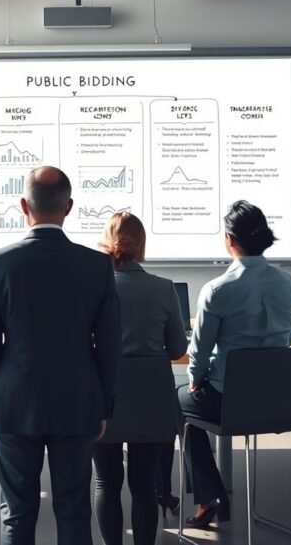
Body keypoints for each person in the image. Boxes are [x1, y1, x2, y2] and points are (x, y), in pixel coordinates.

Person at [0, 166, 122, 545]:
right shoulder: (96, 265)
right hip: (77, 402)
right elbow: (108, 344)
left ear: (23, 205)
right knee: (73, 510)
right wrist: (103, 405)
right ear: (69, 207)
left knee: (16, 514)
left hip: (14, 402)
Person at [181, 201, 291, 529]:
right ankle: (210, 495)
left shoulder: (217, 289)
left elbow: (199, 353)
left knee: (173, 402)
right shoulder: (287, 284)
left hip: (228, 400)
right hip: (280, 401)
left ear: (230, 239)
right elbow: (287, 337)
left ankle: (209, 497)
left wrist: (195, 380)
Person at [94, 212, 187, 545]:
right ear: (141, 244)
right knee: (144, 485)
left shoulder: (93, 288)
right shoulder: (163, 289)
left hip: (103, 397)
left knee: (106, 483)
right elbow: (177, 349)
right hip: (151, 400)